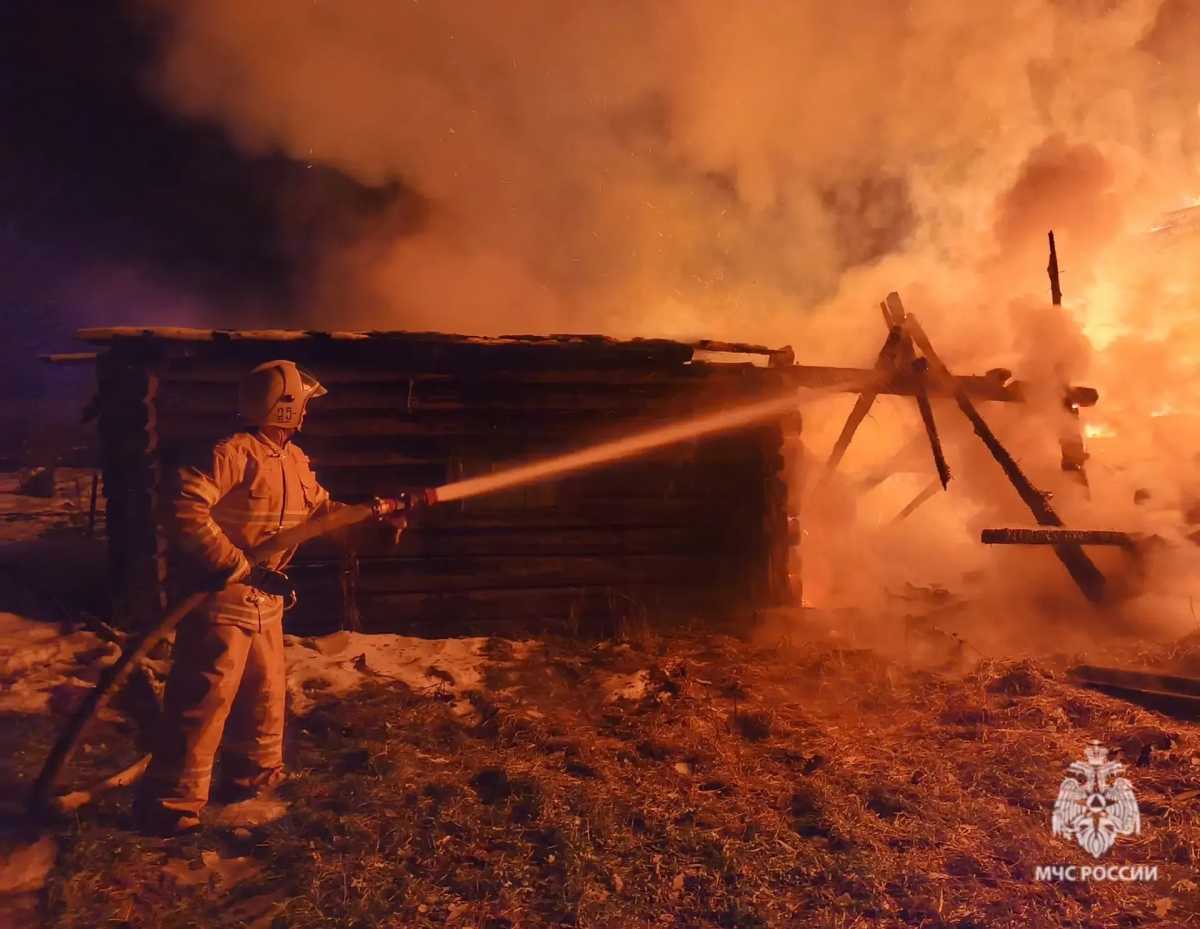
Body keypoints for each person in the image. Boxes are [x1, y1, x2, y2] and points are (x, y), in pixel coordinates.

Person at [134, 360, 350, 835]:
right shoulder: (230, 454)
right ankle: (173, 804)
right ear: (284, 406)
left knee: (266, 695)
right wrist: (233, 564)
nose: (306, 415)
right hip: (220, 601)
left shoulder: (294, 462)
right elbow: (182, 505)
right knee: (203, 702)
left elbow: (321, 511)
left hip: (265, 603)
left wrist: (369, 516)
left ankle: (252, 781)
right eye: (302, 406)